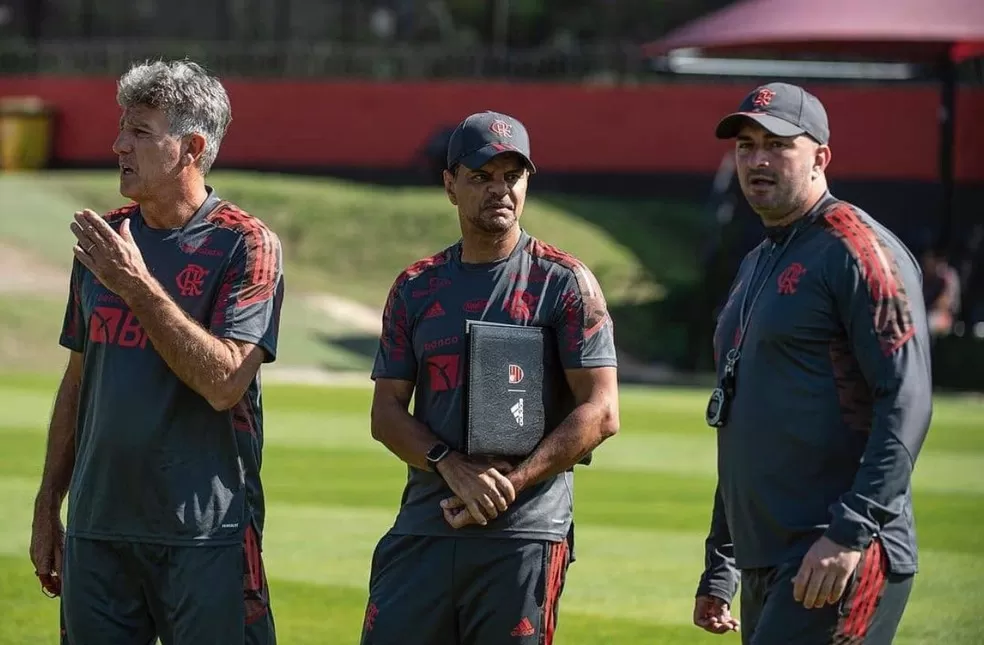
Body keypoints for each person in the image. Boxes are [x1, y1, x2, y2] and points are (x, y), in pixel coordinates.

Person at [28, 59, 284, 645]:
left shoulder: (245, 244)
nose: (118, 144)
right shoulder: (104, 241)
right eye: (123, 127)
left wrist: (137, 286)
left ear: (191, 147)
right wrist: (49, 505)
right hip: (98, 533)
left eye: (141, 131)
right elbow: (78, 380)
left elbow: (224, 382)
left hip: (205, 536)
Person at [362, 110, 620, 645]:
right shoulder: (416, 287)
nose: (499, 189)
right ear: (450, 186)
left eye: (512, 176)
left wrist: (509, 485)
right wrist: (451, 466)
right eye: (481, 176)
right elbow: (386, 412)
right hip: (425, 524)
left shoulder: (564, 282)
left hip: (523, 534)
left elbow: (601, 411)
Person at [693, 82, 933, 644]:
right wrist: (722, 560)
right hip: (770, 558)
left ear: (821, 157)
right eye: (745, 146)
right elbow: (738, 410)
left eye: (777, 145)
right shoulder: (757, 261)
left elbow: (907, 400)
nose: (757, 159)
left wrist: (849, 535)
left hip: (836, 553)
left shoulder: (856, 249)